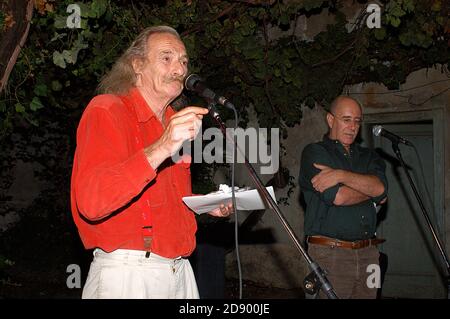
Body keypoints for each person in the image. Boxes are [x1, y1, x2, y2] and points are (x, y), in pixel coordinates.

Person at [70, 26, 233, 299]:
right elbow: (92, 202)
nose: (180, 69)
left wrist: (205, 204)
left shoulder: (172, 122)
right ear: (137, 65)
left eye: (183, 61)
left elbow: (158, 197)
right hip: (129, 275)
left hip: (181, 272)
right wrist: (163, 146)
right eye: (166, 58)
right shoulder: (107, 109)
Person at [299, 96, 388, 299]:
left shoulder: (370, 156)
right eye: (346, 119)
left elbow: (382, 190)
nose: (352, 126)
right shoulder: (315, 153)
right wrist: (370, 189)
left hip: (369, 254)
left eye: (357, 121)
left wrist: (340, 175)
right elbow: (338, 196)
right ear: (331, 120)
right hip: (331, 254)